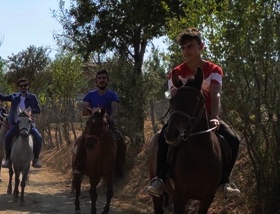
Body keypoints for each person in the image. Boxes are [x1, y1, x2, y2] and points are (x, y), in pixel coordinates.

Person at [144, 27, 241, 198]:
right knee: (162, 138)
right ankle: (159, 179)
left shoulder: (214, 70)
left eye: (190, 46)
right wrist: (175, 121)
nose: (186, 51)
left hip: (206, 116)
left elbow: (215, 93)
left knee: (233, 139)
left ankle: (224, 181)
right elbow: (174, 98)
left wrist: (214, 117)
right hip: (182, 117)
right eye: (183, 48)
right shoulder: (176, 73)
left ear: (201, 46)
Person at [74, 69, 125, 176]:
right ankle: (79, 165)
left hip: (107, 124)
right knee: (81, 140)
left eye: (104, 78)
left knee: (121, 141)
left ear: (107, 80)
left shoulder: (112, 95)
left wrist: (108, 118)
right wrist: (92, 111)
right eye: (99, 78)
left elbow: (115, 110)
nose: (102, 80)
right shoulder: (90, 95)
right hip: (92, 125)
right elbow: (84, 112)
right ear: (96, 81)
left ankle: (119, 169)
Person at [0, 78, 43, 168]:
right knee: (8, 136)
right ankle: (8, 159)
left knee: (39, 137)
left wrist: (30, 111)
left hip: (29, 124)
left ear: (28, 86)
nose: (23, 87)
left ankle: (35, 159)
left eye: (25, 85)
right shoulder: (14, 96)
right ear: (18, 87)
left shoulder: (32, 97)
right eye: (21, 86)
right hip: (16, 123)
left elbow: (39, 110)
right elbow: (2, 97)